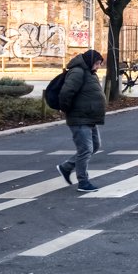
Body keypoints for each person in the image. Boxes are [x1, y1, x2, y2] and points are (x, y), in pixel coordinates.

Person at [56, 49, 106, 193]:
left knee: (95, 146)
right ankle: (83, 182)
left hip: (89, 117)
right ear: (90, 61)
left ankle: (66, 167)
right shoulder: (77, 72)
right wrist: (65, 108)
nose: (98, 67)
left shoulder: (90, 73)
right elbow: (67, 92)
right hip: (79, 117)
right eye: (97, 63)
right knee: (85, 149)